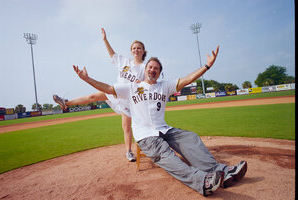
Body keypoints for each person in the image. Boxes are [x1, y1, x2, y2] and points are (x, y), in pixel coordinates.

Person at [72, 45, 248, 196]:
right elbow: (108, 89)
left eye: (156, 68)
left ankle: (221, 171)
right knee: (166, 155)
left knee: (190, 138)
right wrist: (87, 79)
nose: (152, 70)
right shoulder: (132, 87)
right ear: (145, 69)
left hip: (164, 129)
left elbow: (188, 79)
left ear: (159, 72)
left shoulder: (165, 86)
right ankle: (203, 182)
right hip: (145, 136)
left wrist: (207, 66)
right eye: (150, 67)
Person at [53, 28, 147, 162]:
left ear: (143, 51)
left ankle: (128, 151)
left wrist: (141, 82)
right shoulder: (124, 62)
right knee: (92, 97)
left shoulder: (144, 67)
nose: (136, 50)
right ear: (131, 51)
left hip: (130, 100)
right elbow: (112, 54)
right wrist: (104, 40)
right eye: (134, 48)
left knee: (127, 127)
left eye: (139, 48)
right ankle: (66, 103)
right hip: (114, 92)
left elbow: (149, 84)